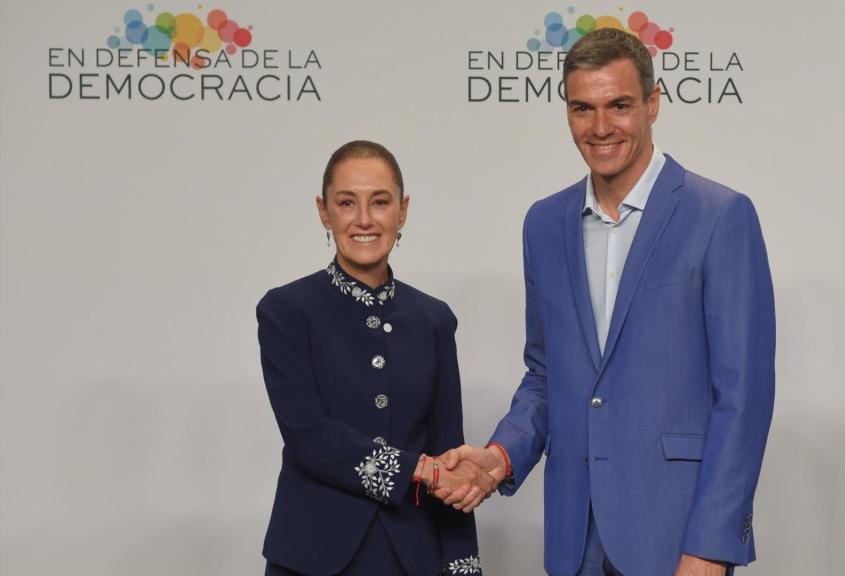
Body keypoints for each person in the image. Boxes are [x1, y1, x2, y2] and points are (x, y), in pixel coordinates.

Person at [443, 29, 776, 576]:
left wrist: (712, 546)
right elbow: (547, 376)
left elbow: (743, 398)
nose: (600, 128)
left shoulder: (719, 216)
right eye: (583, 108)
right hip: (575, 539)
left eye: (619, 105)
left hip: (676, 541)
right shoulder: (544, 224)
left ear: (652, 102)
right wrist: (499, 457)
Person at [257, 140, 490, 576]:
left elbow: (448, 452)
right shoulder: (286, 311)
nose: (364, 219)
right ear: (324, 212)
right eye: (347, 203)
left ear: (402, 212)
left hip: (411, 556)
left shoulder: (434, 319)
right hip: (311, 557)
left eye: (380, 202)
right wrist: (420, 470)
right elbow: (310, 436)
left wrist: (463, 565)